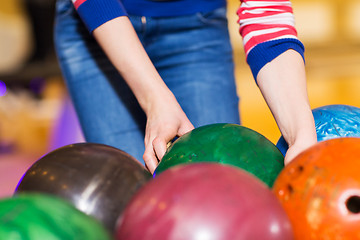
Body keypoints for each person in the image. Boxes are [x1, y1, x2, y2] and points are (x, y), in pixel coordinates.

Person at [54, 0, 317, 174]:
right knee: (127, 204)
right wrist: (155, 99)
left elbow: (266, 13)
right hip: (98, 20)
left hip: (196, 26)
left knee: (220, 187)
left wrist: (301, 133)